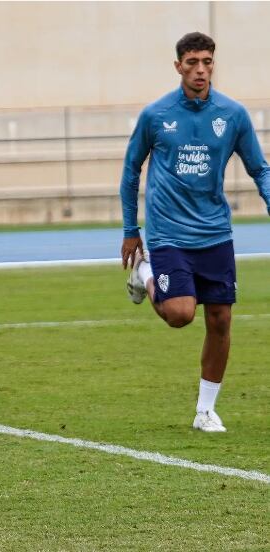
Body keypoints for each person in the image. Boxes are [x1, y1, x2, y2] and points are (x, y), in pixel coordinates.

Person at [121, 32, 270, 433]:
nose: (200, 70)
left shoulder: (233, 115)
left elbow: (260, 169)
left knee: (220, 320)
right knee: (179, 313)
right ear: (178, 67)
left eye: (206, 62)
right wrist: (130, 230)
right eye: (192, 63)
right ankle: (145, 272)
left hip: (216, 232)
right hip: (169, 232)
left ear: (213, 65)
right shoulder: (156, 115)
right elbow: (131, 170)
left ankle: (206, 411)